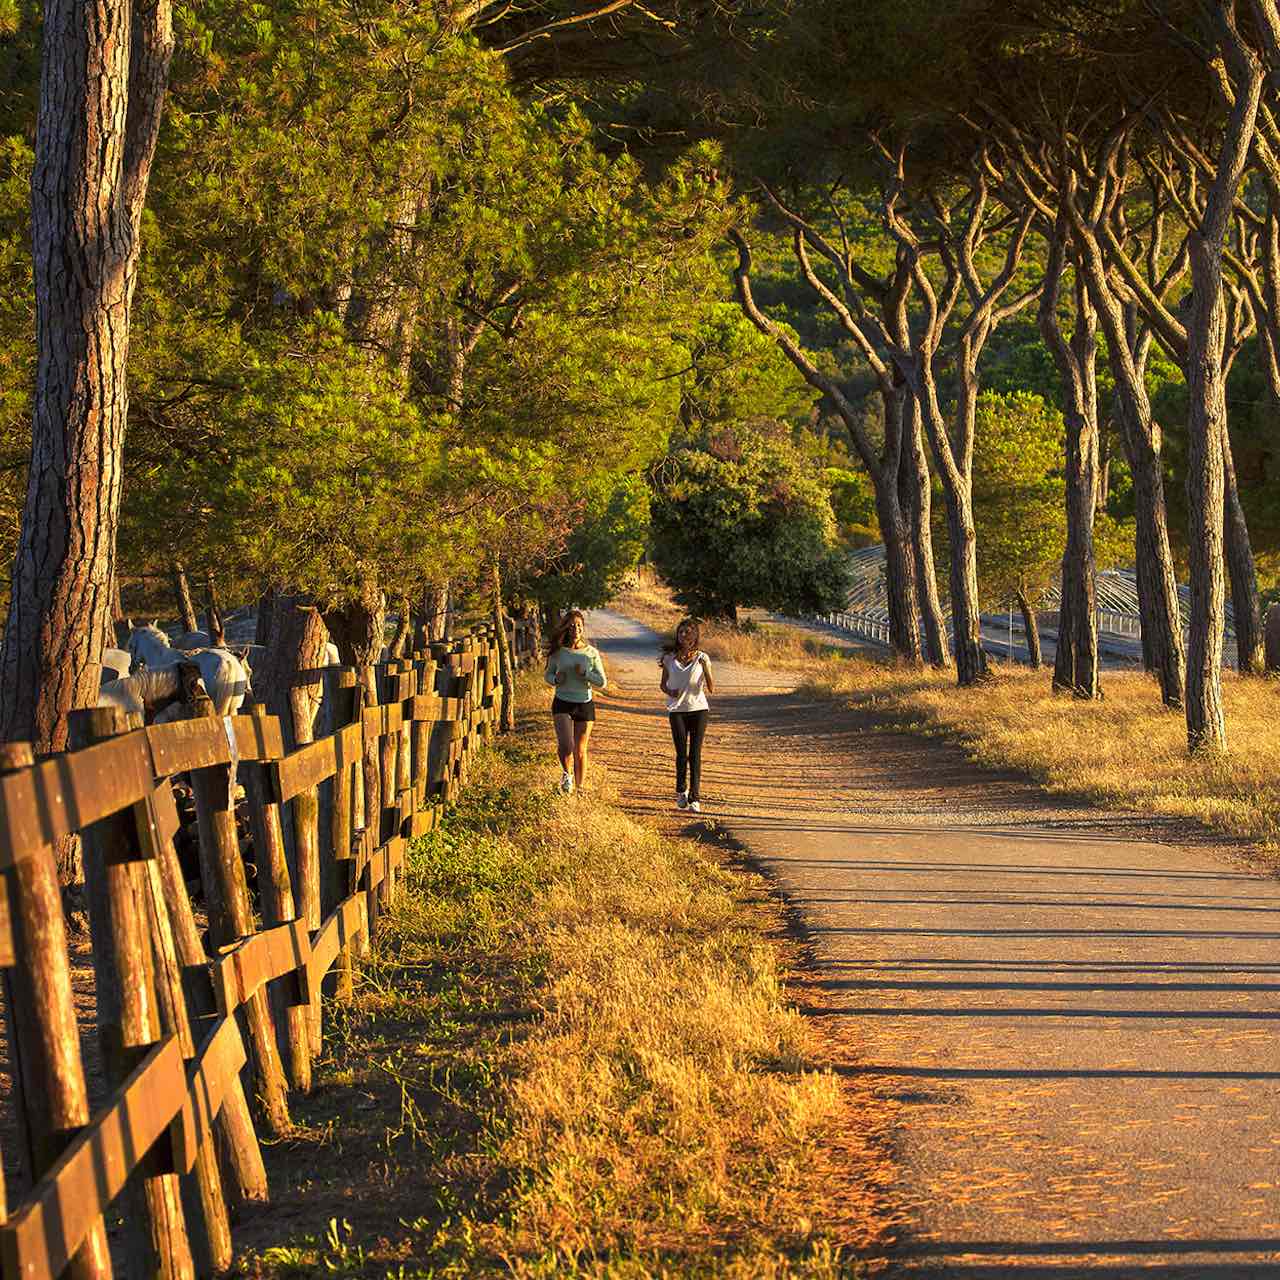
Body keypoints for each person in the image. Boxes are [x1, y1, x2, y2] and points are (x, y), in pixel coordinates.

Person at [544, 609, 607, 794]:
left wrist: (585, 674)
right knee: (566, 745)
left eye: (579, 625)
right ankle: (567, 775)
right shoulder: (558, 652)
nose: (575, 629)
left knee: (580, 750)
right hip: (562, 702)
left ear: (583, 628)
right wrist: (556, 679)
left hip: (584, 704)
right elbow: (548, 675)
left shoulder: (591, 653)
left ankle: (579, 788)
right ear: (566, 628)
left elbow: (602, 682)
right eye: (571, 625)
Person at [659, 618, 713, 812]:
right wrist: (670, 692)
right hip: (676, 710)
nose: (684, 636)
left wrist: (705, 668)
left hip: (698, 709)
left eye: (688, 632)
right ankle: (681, 790)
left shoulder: (702, 657)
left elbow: (711, 688)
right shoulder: (669, 658)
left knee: (695, 754)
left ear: (695, 636)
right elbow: (663, 684)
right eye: (681, 632)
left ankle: (695, 797)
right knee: (681, 753)